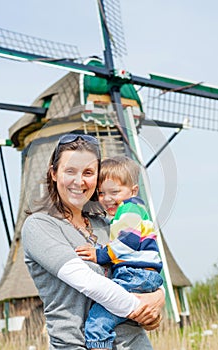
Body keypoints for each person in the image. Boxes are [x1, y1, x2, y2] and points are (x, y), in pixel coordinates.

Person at [22, 133, 165, 350]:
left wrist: (157, 297)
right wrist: (141, 307)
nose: (79, 181)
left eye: (88, 173)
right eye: (70, 171)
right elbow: (87, 281)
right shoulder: (40, 226)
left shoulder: (108, 224)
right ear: (53, 173)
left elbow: (140, 267)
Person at [76, 156, 164, 350]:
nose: (107, 199)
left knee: (97, 323)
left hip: (134, 275)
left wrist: (100, 255)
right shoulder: (127, 213)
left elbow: (128, 241)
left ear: (133, 190)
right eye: (101, 193)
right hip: (142, 275)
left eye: (114, 191)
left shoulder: (131, 209)